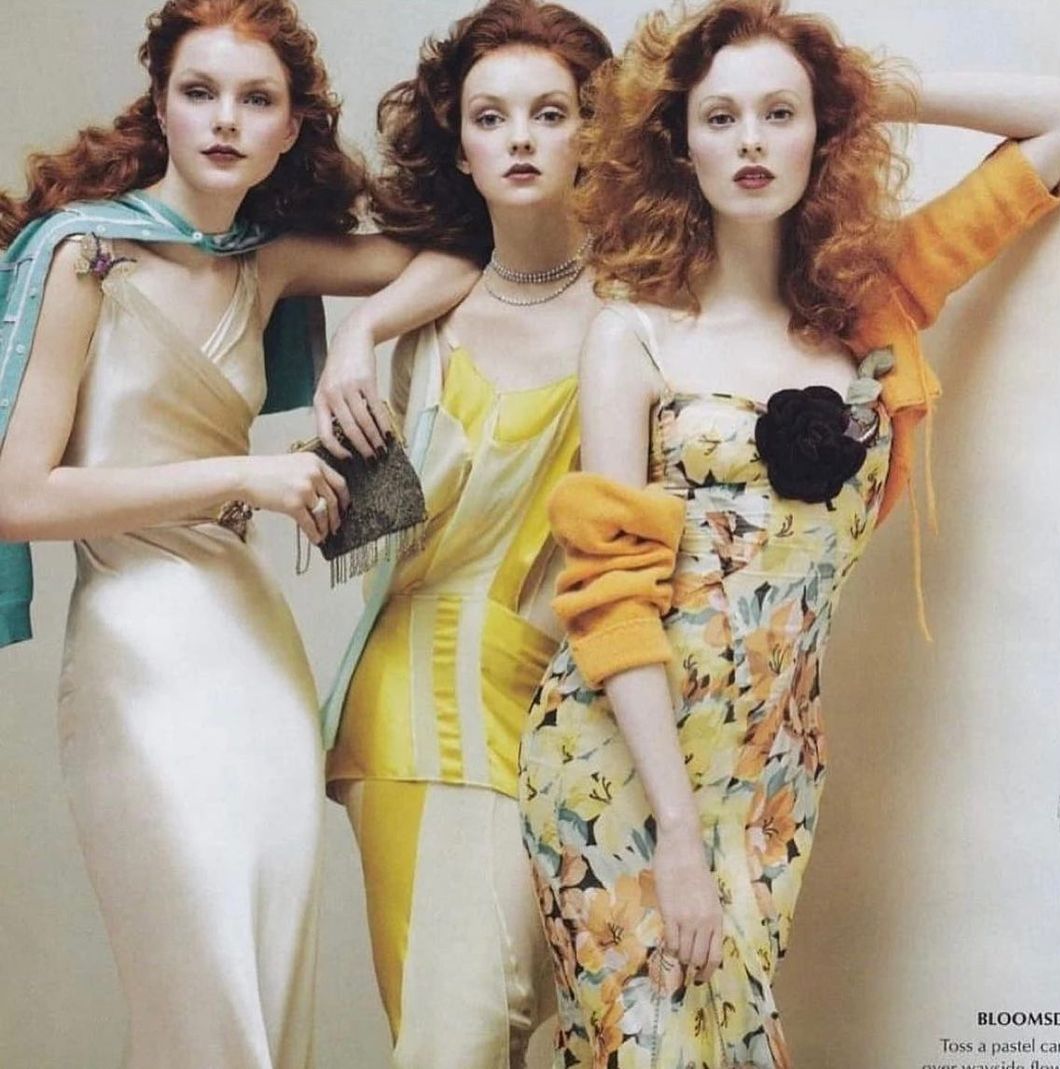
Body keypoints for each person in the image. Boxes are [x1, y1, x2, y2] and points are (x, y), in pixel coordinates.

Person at [517, 1, 1060, 1066]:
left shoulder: (873, 309)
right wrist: (677, 832)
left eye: (780, 114)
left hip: (770, 767)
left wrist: (856, 91)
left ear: (821, 132)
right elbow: (609, 599)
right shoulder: (632, 335)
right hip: (620, 765)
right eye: (720, 117)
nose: (751, 142)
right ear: (679, 143)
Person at [0, 1, 475, 1066]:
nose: (225, 119)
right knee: (204, 989)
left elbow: (460, 257)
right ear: (161, 105)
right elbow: (17, 496)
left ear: (291, 126)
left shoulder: (267, 262)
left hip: (255, 653)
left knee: (270, 963)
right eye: (200, 91)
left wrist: (360, 334)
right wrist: (243, 476)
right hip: (136, 653)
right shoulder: (88, 256)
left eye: (256, 99)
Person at [316, 2, 611, 1065]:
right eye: (491, 118)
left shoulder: (643, 307)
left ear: (593, 132)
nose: (520, 138)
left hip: (569, 713)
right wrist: (360, 334)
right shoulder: (426, 315)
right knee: (458, 1032)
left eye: (550, 113)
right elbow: (372, 532)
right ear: (460, 148)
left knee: (527, 1022)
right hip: (417, 695)